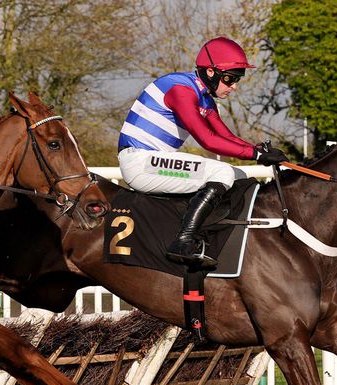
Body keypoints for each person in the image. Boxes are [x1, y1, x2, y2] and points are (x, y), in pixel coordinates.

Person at [117, 36, 289, 269]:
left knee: (239, 176)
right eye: (230, 79)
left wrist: (258, 149)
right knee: (221, 172)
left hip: (153, 160)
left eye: (237, 80)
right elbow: (207, 140)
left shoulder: (205, 98)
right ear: (210, 72)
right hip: (140, 162)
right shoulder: (181, 90)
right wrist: (255, 156)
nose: (234, 86)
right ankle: (184, 240)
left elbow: (226, 137)